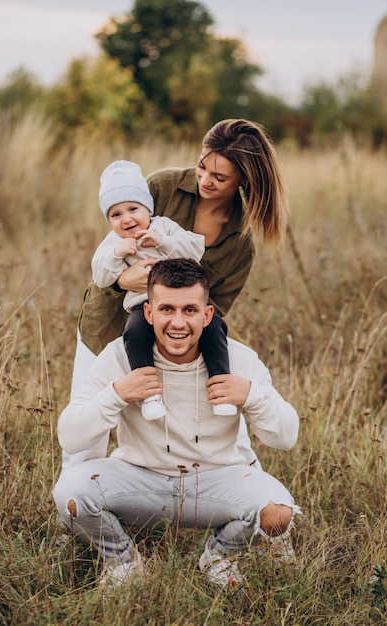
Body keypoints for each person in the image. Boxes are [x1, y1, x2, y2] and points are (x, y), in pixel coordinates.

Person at [54, 259, 301, 591]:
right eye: (167, 309)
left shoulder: (238, 359)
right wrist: (117, 394)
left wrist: (251, 396)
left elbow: (285, 438)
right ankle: (124, 563)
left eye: (189, 310)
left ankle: (219, 557)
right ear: (149, 313)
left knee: (278, 514)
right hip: (140, 478)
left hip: (214, 479)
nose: (178, 322)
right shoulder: (119, 356)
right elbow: (70, 436)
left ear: (207, 315)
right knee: (71, 493)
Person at [67, 118, 288, 468]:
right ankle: (77, 508)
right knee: (87, 428)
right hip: (108, 321)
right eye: (202, 166)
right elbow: (112, 247)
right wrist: (126, 282)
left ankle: (244, 493)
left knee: (218, 421)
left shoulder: (240, 242)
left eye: (220, 177)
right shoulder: (161, 186)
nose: (205, 180)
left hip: (175, 339)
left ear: (243, 180)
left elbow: (215, 307)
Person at [92, 159, 236, 421]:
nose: (126, 219)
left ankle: (220, 385)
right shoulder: (113, 242)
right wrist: (117, 255)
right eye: (116, 214)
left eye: (133, 209)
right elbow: (100, 276)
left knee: (215, 327)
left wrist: (163, 242)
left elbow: (195, 250)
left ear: (147, 208)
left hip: (181, 301)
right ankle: (149, 395)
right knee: (134, 333)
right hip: (143, 306)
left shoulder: (164, 227)